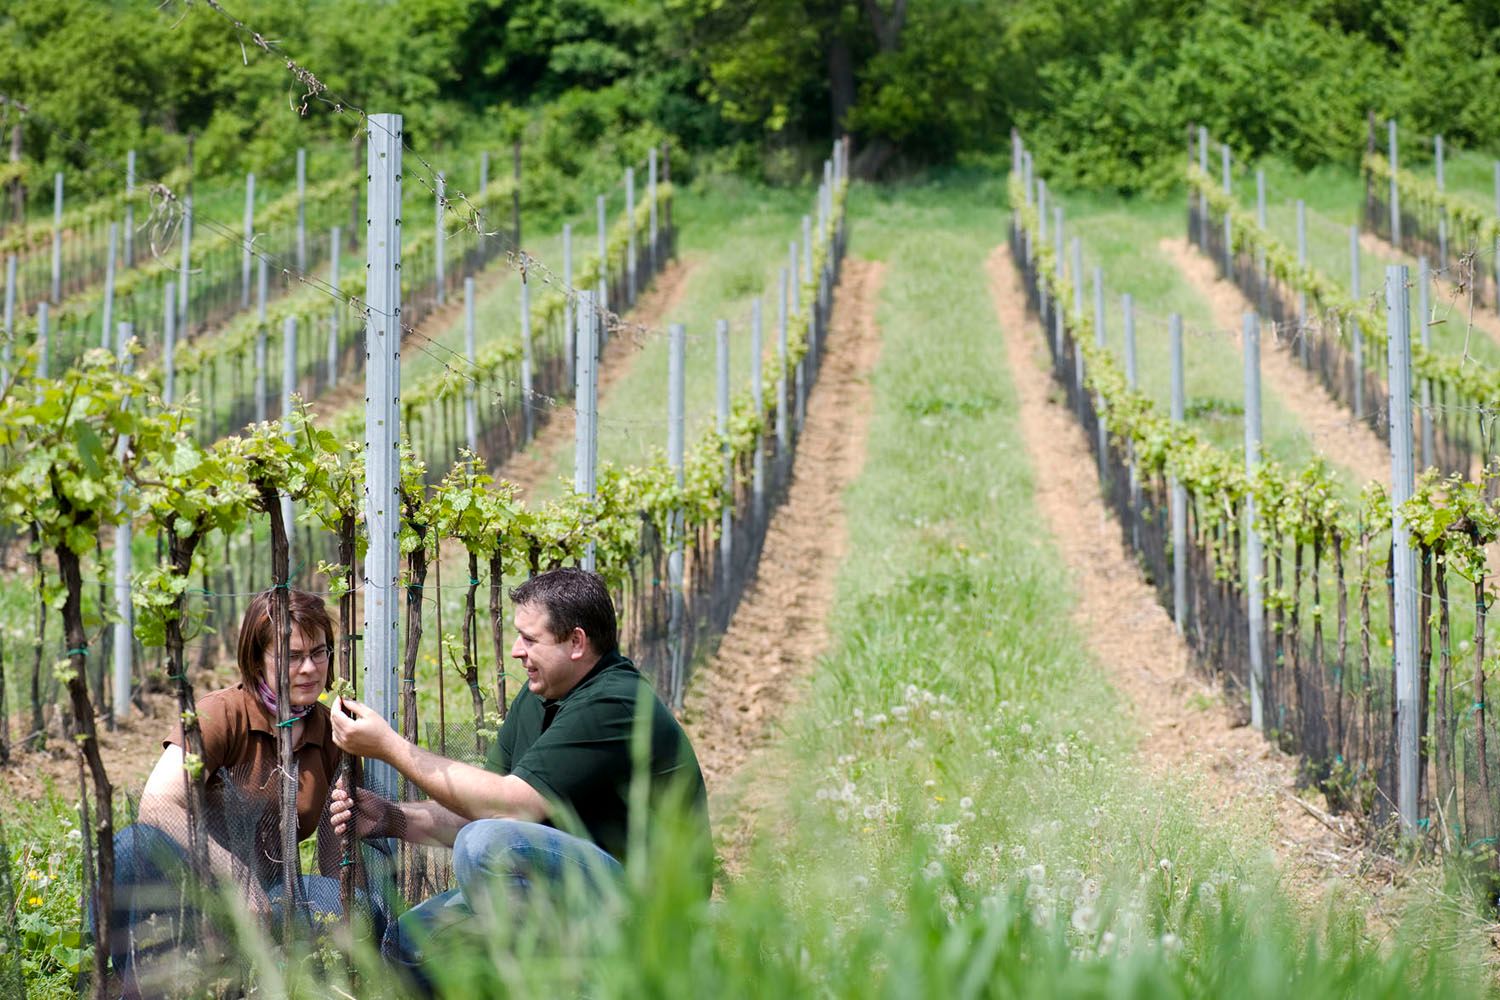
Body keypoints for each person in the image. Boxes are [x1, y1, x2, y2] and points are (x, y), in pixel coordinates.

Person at [329, 566, 710, 973]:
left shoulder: (614, 703)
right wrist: (393, 818)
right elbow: (479, 812)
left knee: (484, 845)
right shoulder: (539, 699)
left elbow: (507, 811)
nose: (515, 650)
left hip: (650, 904)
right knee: (410, 944)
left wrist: (389, 746)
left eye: (530, 638)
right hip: (580, 887)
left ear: (576, 642)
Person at [110, 588, 402, 996]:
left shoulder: (332, 731)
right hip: (191, 891)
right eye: (291, 657)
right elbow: (157, 804)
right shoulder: (220, 713)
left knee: (360, 909)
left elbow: (339, 849)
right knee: (132, 846)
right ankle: (138, 987)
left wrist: (349, 921)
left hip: (274, 897)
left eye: (319, 653)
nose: (308, 669)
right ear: (256, 659)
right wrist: (235, 876)